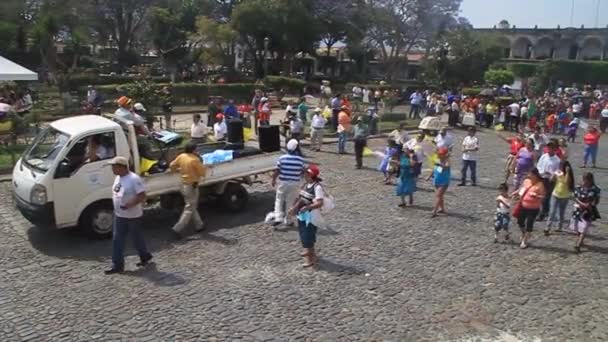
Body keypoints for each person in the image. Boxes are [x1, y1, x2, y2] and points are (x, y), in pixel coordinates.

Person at [105, 156, 152, 274]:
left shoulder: (134, 179)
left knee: (136, 238)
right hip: (120, 214)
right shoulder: (118, 178)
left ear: (122, 167)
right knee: (117, 239)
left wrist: (129, 204)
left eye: (114, 166)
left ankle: (144, 255)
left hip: (132, 216)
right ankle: (117, 265)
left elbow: (141, 195)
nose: (112, 169)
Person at [288, 164, 325, 267]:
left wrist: (307, 207)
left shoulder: (317, 187)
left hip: (311, 215)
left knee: (307, 235)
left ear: (310, 175)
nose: (303, 175)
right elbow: (300, 198)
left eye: (305, 173)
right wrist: (294, 207)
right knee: (304, 233)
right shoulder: (305, 185)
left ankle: (309, 259)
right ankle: (312, 255)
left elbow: (319, 203)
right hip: (302, 214)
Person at [169, 142, 207, 238]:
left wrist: (178, 169)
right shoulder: (195, 160)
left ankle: (199, 225)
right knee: (190, 207)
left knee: (191, 205)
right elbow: (203, 173)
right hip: (192, 186)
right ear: (194, 150)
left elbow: (172, 165)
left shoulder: (181, 156)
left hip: (184, 184)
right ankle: (177, 228)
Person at [271, 139, 304, 227]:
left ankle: (278, 217)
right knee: (290, 202)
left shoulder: (282, 158)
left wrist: (273, 180)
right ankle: (288, 220)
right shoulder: (300, 160)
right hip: (295, 184)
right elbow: (301, 172)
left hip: (283, 182)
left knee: (279, 199)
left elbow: (277, 171)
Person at [512, 168, 545, 249]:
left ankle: (524, 241)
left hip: (533, 208)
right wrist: (515, 193)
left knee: (529, 224)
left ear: (536, 175)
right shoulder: (526, 181)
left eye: (531, 174)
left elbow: (543, 196)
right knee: (520, 222)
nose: (529, 176)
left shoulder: (540, 185)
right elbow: (521, 189)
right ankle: (524, 234)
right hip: (523, 206)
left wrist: (536, 196)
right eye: (529, 174)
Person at [569, 172, 601, 253]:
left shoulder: (595, 189)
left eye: (587, 180)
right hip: (578, 210)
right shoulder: (578, 187)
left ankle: (578, 245)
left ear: (590, 180)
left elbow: (596, 199)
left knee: (584, 228)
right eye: (584, 180)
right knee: (577, 228)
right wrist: (581, 203)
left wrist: (593, 204)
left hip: (588, 211)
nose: (585, 182)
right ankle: (580, 239)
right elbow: (573, 197)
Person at [544, 161, 574, 235]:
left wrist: (567, 172)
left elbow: (566, 182)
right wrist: (553, 175)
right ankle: (547, 228)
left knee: (561, 212)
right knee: (552, 212)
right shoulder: (558, 172)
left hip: (565, 196)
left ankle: (559, 227)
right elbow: (551, 180)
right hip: (555, 194)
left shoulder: (568, 175)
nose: (560, 168)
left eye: (561, 166)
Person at [536, 142, 561, 221]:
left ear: (555, 149)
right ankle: (543, 211)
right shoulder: (544, 156)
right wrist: (541, 172)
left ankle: (543, 213)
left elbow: (558, 171)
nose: (550, 149)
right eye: (549, 147)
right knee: (540, 196)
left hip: (550, 180)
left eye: (552, 148)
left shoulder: (557, 160)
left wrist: (552, 174)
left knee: (546, 197)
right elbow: (539, 166)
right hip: (542, 178)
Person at [428, 147, 451, 217]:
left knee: (438, 196)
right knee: (440, 196)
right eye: (438, 154)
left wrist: (440, 164)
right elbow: (434, 169)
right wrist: (429, 176)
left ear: (444, 155)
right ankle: (442, 209)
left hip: (444, 182)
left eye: (440, 154)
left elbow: (446, 167)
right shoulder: (438, 160)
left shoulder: (447, 161)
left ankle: (434, 211)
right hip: (436, 180)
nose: (438, 155)